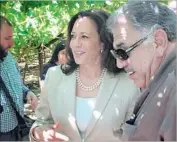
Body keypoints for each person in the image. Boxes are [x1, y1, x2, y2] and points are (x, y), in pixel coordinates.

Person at [30, 10, 139, 141]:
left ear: (103, 43)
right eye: (73, 36)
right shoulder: (55, 76)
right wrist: (38, 132)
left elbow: (135, 135)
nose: (75, 43)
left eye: (84, 37)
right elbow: (41, 121)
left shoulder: (128, 82)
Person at [107, 0, 176, 141]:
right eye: (116, 54)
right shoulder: (162, 81)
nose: (119, 64)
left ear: (158, 42)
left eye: (123, 51)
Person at [0, 16, 38, 141]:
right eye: (7, 38)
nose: (12, 43)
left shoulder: (8, 58)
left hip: (16, 126)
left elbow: (16, 85)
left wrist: (27, 92)